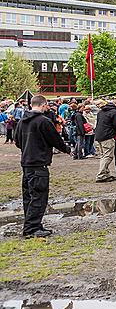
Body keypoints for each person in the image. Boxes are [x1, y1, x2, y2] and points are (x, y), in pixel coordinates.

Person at [13, 95, 70, 238]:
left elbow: (17, 141)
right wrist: (67, 149)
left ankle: (32, 224)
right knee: (39, 197)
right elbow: (55, 139)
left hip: (26, 163)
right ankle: (31, 228)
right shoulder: (43, 121)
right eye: (46, 106)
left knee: (29, 197)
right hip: (39, 163)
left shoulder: (21, 122)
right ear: (43, 105)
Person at [93, 100, 116, 183]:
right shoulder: (114, 113)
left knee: (103, 156)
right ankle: (101, 175)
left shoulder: (100, 112)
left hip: (99, 136)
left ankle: (106, 173)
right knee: (107, 156)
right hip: (107, 136)